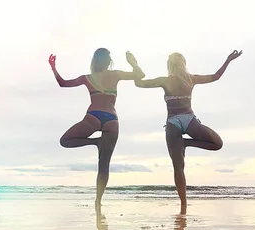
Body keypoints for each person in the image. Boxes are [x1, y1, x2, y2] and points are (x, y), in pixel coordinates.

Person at [134, 50, 242, 214]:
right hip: (187, 120)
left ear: (169, 65)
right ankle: (183, 206)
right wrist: (228, 60)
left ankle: (183, 205)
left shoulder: (167, 80)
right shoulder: (190, 78)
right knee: (215, 145)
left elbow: (139, 84)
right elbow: (215, 76)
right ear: (183, 64)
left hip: (174, 122)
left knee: (179, 167)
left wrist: (134, 65)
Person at [48, 48, 145, 211]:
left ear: (94, 61)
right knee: (104, 165)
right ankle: (98, 202)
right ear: (108, 61)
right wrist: (132, 61)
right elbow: (140, 75)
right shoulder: (115, 75)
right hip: (112, 120)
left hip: (93, 117)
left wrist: (53, 67)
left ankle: (95, 142)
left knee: (65, 141)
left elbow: (63, 83)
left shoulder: (88, 78)